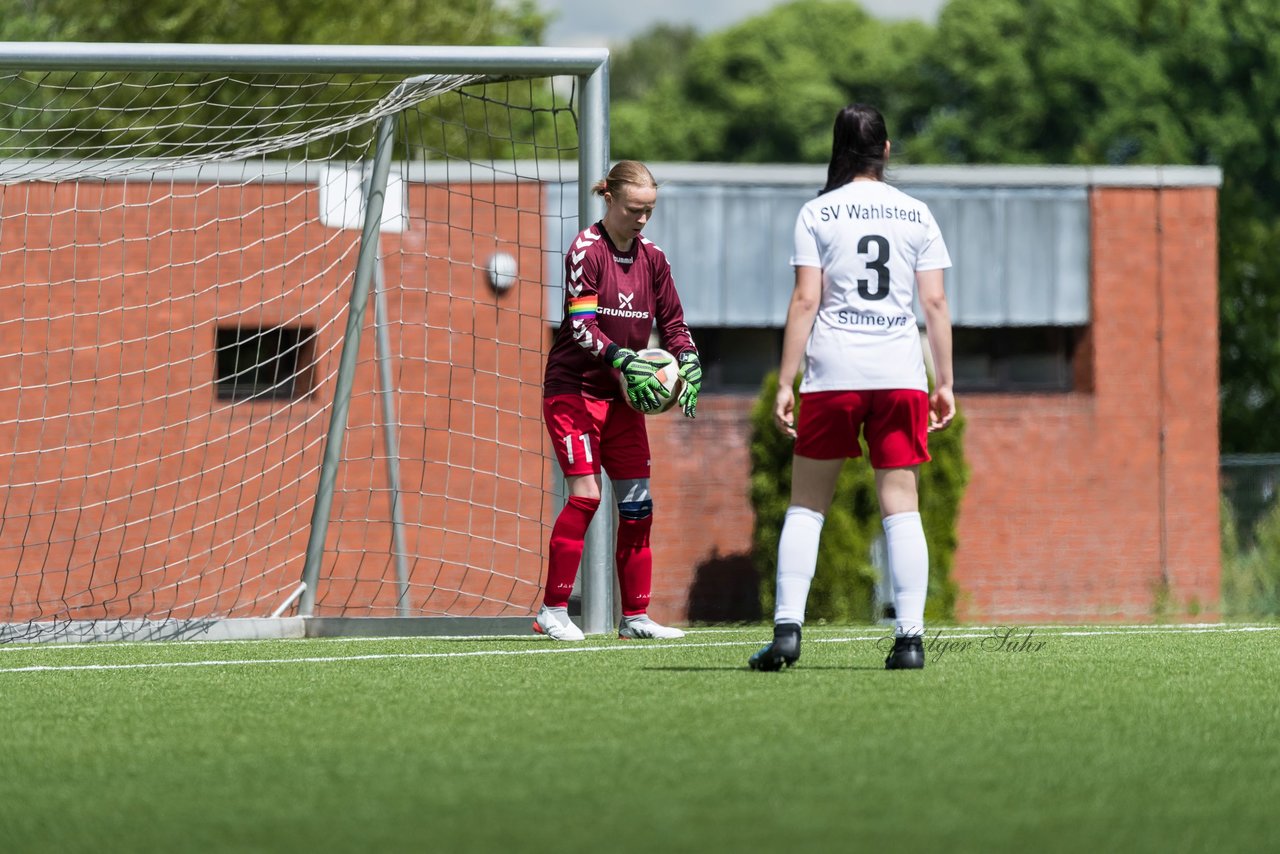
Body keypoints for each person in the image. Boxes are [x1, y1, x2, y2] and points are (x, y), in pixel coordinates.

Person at [749, 104, 955, 672]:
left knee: (807, 507)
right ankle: (910, 641)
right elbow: (934, 303)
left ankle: (787, 633)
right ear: (886, 150)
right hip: (900, 376)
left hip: (833, 374)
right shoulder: (917, 214)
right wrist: (947, 381)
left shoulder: (817, 212)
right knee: (902, 508)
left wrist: (786, 381)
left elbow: (805, 301)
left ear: (838, 150)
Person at [534, 160, 703, 642]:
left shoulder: (654, 258)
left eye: (650, 210)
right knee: (587, 496)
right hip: (575, 390)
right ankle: (553, 610)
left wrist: (688, 360)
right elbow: (582, 327)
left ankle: (635, 617)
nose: (642, 219)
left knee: (638, 506)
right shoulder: (585, 251)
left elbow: (674, 324)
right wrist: (622, 357)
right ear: (609, 199)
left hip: (624, 399)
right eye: (634, 209)